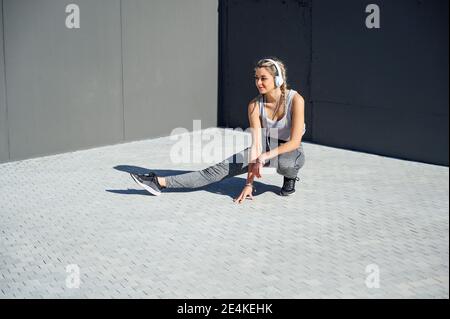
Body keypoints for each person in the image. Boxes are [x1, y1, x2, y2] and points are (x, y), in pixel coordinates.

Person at [130, 57, 306, 204]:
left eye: (263, 78)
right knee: (215, 171)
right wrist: (248, 185)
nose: (258, 82)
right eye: (256, 78)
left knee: (285, 163)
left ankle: (290, 177)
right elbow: (256, 146)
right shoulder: (254, 105)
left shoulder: (295, 100)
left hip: (291, 151)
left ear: (277, 79)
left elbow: (295, 141)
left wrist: (265, 157)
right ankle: (159, 182)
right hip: (266, 147)